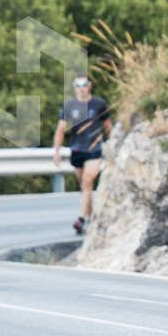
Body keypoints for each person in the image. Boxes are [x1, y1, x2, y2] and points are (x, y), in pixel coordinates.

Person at [53, 75, 112, 234]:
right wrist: (57, 151)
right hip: (77, 149)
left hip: (94, 149)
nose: (81, 88)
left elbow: (108, 127)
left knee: (87, 181)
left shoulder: (99, 104)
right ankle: (91, 217)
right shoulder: (69, 106)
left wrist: (112, 145)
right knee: (85, 186)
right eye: (78, 85)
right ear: (74, 87)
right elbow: (61, 129)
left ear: (89, 86)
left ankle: (81, 218)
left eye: (84, 85)